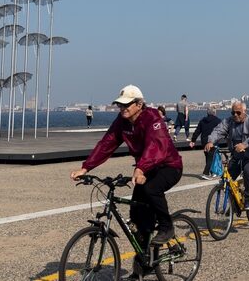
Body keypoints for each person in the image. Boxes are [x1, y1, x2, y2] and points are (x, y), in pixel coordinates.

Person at [70, 85, 183, 249]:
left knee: (151, 189)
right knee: (137, 218)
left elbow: (156, 147)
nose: (122, 108)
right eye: (120, 105)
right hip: (145, 168)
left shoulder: (152, 118)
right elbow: (106, 144)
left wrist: (141, 168)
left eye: (126, 104)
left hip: (168, 166)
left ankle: (167, 227)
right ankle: (142, 268)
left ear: (139, 104)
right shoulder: (122, 121)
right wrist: (86, 168)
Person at [205, 101, 249, 210]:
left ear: (244, 112)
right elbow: (218, 131)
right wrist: (211, 141)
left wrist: (245, 145)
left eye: (238, 112)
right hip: (237, 155)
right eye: (233, 113)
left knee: (247, 170)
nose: (235, 115)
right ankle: (234, 203)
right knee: (226, 179)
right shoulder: (229, 121)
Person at [189, 107, 222, 179]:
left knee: (208, 156)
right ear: (214, 113)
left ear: (207, 113)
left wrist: (193, 140)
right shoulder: (218, 121)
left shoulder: (202, 121)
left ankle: (212, 172)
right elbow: (221, 131)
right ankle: (206, 173)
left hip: (204, 141)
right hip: (212, 141)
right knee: (211, 157)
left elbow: (197, 131)